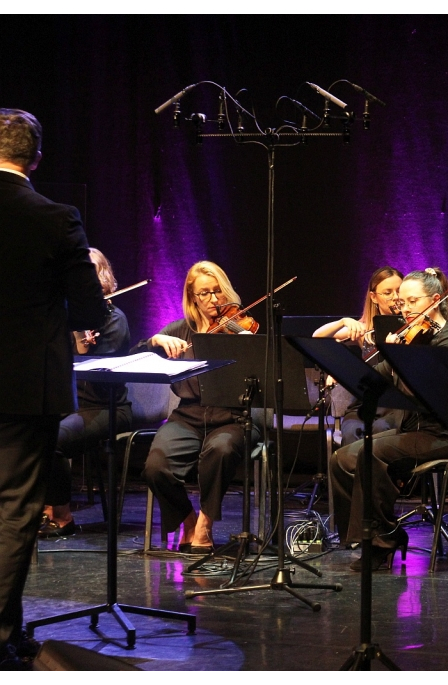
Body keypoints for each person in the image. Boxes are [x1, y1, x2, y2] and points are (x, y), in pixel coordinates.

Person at [0, 108, 106, 668]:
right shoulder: (56, 217)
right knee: (15, 510)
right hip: (24, 386)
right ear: (35, 157)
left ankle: (9, 628)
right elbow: (89, 307)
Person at [329, 268, 448, 571]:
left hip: (443, 434)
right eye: (402, 303)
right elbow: (374, 378)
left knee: (372, 453)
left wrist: (401, 357)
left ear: (435, 301)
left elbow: (430, 397)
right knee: (341, 459)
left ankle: (381, 542)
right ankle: (370, 535)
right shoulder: (411, 339)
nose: (404, 309)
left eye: (412, 301)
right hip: (414, 430)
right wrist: (346, 371)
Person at [136, 261, 260, 554]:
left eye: (217, 291)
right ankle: (187, 519)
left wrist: (249, 347)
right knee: (156, 467)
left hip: (231, 416)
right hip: (188, 416)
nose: (213, 300)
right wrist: (155, 340)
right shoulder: (180, 330)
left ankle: (205, 522)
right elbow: (138, 354)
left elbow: (259, 370)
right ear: (192, 298)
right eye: (204, 293)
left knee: (221, 450)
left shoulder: (238, 328)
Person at [40, 248, 132, 538]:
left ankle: (63, 516)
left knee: (51, 439)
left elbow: (99, 371)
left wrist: (84, 348)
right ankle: (38, 507)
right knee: (27, 431)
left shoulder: (113, 319)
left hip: (105, 407)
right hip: (70, 403)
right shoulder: (66, 317)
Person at [314, 266, 404, 447]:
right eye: (387, 292)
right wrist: (343, 321)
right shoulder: (365, 330)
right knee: (351, 433)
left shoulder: (412, 325)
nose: (395, 297)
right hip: (366, 404)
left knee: (379, 431)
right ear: (373, 297)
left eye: (398, 291)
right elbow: (317, 337)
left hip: (397, 406)